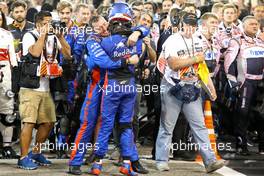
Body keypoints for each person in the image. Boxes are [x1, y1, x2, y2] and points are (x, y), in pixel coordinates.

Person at [155, 12, 225, 173]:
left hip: (192, 87)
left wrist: (210, 87)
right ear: (181, 24)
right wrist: (195, 59)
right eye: (187, 26)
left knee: (199, 126)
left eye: (193, 26)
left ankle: (210, 161)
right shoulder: (173, 40)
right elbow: (173, 64)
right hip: (172, 86)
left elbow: (202, 68)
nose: (190, 29)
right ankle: (161, 160)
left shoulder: (198, 41)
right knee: (167, 126)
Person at [89, 2, 148, 176]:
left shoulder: (102, 41)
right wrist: (137, 32)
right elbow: (144, 32)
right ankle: (128, 163)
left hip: (112, 85)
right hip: (129, 85)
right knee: (126, 125)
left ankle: (97, 164)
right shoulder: (136, 40)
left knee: (106, 124)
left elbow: (96, 63)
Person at [18, 10, 71, 170]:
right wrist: (42, 34)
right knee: (28, 122)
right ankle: (23, 157)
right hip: (30, 87)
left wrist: (60, 36)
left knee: (48, 122)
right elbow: (34, 53)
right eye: (48, 22)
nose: (51, 25)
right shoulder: (30, 35)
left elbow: (68, 55)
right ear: (39, 23)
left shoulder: (54, 37)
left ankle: (36, 152)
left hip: (46, 87)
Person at [224, 16, 264, 155]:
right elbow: (228, 63)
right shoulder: (237, 41)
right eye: (251, 24)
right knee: (242, 114)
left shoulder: (261, 41)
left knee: (260, 114)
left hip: (260, 83)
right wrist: (233, 81)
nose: (255, 26)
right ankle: (241, 144)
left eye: (256, 23)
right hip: (245, 83)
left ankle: (262, 144)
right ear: (244, 26)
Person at [0, 9, 19, 159]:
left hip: (5, 74)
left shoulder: (7, 34)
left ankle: (7, 146)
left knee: (7, 109)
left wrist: (15, 81)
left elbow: (13, 59)